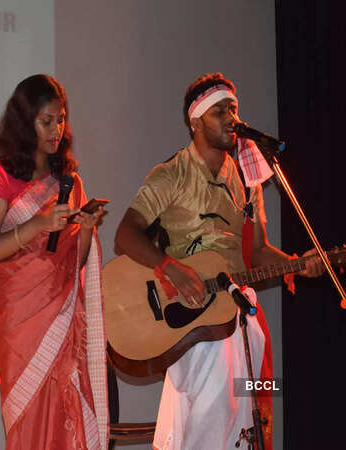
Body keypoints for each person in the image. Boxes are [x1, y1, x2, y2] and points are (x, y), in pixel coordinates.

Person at [114, 72, 324, 450]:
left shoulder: (247, 178)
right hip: (195, 321)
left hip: (240, 313)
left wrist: (296, 263)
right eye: (219, 111)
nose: (232, 117)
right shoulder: (171, 174)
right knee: (211, 420)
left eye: (234, 108)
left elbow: (258, 251)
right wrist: (171, 267)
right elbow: (125, 234)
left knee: (248, 409)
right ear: (196, 121)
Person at [0, 74, 109, 449]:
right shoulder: (0, 176)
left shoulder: (68, 180)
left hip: (62, 319)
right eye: (46, 121)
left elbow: (73, 264)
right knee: (29, 421)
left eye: (61, 119)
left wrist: (85, 228)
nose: (56, 129)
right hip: (19, 321)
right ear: (24, 122)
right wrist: (36, 224)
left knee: (67, 419)